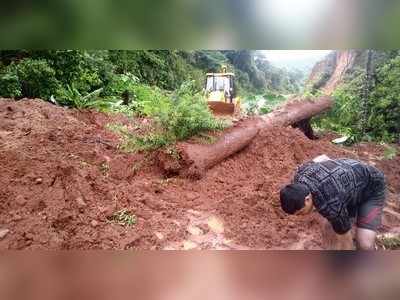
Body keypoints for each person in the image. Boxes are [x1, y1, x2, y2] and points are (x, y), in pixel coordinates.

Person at [280, 155, 386, 250]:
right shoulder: (300, 175)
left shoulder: (331, 205)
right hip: (349, 180)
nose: (300, 216)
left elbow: (345, 237)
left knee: (364, 245)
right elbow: (323, 158)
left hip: (371, 188)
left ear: (307, 199)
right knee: (329, 227)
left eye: (300, 212)